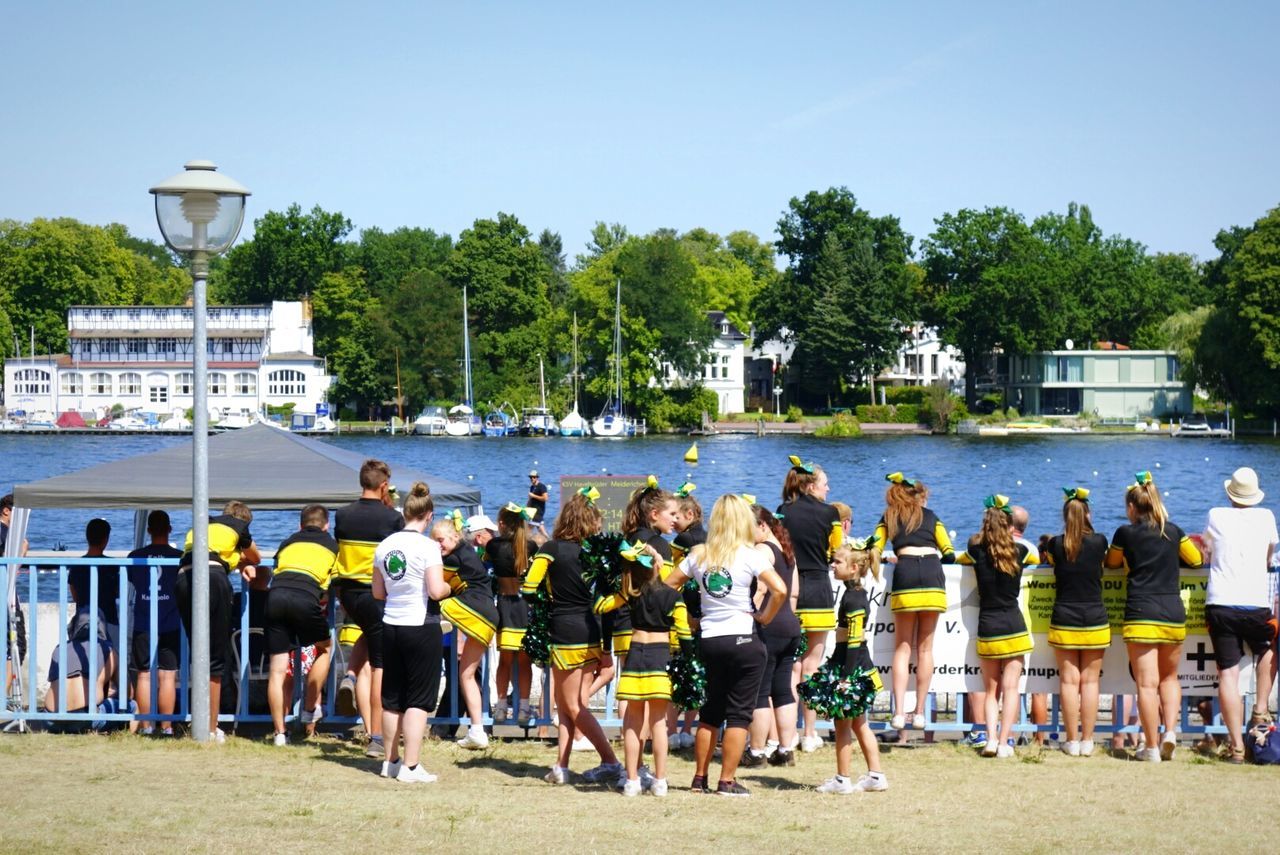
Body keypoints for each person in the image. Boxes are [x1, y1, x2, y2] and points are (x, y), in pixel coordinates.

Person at [666, 493, 788, 798]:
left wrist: (691, 616)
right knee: (738, 715)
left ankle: (699, 778)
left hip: (709, 638)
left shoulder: (699, 554)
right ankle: (727, 781)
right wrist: (764, 617)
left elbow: (668, 584)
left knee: (710, 713)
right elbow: (780, 589)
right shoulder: (750, 554)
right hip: (744, 637)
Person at [521, 488, 622, 784]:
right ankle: (561, 766)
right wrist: (606, 649)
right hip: (592, 630)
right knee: (567, 703)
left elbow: (528, 588)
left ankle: (610, 761)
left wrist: (548, 601)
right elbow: (607, 601)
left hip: (565, 631)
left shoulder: (551, 549)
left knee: (573, 705)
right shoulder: (595, 555)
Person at [1104, 471, 1203, 762]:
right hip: (1172, 612)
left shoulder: (1125, 533)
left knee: (1147, 685)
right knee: (1170, 678)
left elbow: (1111, 563)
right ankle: (1169, 733)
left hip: (1140, 613)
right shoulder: (1174, 531)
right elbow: (1196, 561)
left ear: (1132, 508)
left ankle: (1150, 745)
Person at [594, 539, 693, 797]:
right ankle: (660, 781)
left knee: (632, 722)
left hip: (636, 655)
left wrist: (605, 582)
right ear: (657, 566)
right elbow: (683, 634)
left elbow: (600, 607)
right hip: (661, 657)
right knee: (659, 723)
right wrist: (691, 661)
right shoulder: (674, 596)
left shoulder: (630, 593)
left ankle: (632, 780)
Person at [373, 482, 451, 783]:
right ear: (429, 516)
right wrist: (449, 587)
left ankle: (390, 761)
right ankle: (412, 765)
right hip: (420, 625)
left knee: (392, 698)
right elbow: (435, 589)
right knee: (418, 699)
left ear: (404, 512)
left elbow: (378, 592)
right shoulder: (428, 547)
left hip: (391, 623)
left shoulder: (385, 545)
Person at [1202, 466, 1279, 764]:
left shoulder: (1215, 515)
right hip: (1256, 601)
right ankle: (1260, 708)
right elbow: (1269, 555)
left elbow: (1207, 551)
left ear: (1230, 493)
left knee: (1228, 674)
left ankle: (1236, 747)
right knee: (1269, 647)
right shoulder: (1267, 517)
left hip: (1221, 602)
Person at [330, 459, 405, 758]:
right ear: (384, 485)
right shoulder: (392, 520)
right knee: (380, 668)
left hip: (347, 594)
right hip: (376, 595)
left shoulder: (342, 515)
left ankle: (349, 676)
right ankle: (376, 736)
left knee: (367, 634)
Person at [871, 472, 955, 732]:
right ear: (919, 498)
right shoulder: (932, 518)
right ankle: (919, 713)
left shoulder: (889, 517)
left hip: (905, 573)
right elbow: (949, 553)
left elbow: (873, 547)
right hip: (931, 575)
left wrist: (887, 559)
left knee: (903, 648)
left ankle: (897, 713)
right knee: (925, 650)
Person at [176, 500, 261, 743]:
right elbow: (255, 556)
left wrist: (235, 558)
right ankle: (210, 728)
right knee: (215, 658)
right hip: (212, 579)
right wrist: (243, 560)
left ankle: (199, 720)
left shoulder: (203, 525)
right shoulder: (238, 525)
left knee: (197, 652)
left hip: (182, 579)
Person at [959, 495, 1034, 759]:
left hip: (988, 625)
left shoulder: (976, 552)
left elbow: (960, 558)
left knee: (991, 691)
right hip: (1014, 624)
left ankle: (990, 739)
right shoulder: (1021, 551)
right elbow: (1035, 556)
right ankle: (1005, 742)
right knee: (1011, 688)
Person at [777, 455, 842, 753]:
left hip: (790, 586)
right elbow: (837, 550)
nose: (828, 490)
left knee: (791, 666)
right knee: (812, 665)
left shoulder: (782, 511)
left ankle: (786, 735)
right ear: (813, 484)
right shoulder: (830, 513)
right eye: (826, 485)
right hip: (817, 588)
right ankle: (810, 732)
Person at [264, 504, 339, 746]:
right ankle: (309, 708)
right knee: (324, 648)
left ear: (300, 525)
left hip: (275, 596)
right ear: (326, 525)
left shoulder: (288, 542)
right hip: (305, 597)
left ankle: (279, 734)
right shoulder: (332, 545)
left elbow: (277, 568)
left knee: (277, 669)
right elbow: (330, 584)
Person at [1043, 487, 1110, 757]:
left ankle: (1070, 740)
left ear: (1064, 516)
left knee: (1069, 682)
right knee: (1091, 682)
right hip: (1095, 617)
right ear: (1088, 514)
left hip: (1064, 617)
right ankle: (1088, 740)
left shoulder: (1055, 545)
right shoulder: (1100, 542)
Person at [818, 542, 888, 793]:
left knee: (843, 724)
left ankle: (842, 779)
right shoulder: (852, 593)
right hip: (852, 665)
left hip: (852, 669)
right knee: (859, 723)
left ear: (854, 567)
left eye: (838, 562)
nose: (832, 566)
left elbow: (854, 640)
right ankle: (876, 776)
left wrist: (845, 678)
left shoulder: (855, 598)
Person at [433, 513, 499, 750]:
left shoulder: (453, 559)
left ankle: (440, 623)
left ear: (454, 536)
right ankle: (478, 730)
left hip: (476, 611)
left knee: (437, 604)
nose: (439, 545)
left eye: (442, 540)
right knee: (466, 675)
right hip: (487, 616)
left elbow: (437, 588)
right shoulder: (468, 553)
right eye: (435, 541)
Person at [744, 503, 801, 769]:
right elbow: (794, 591)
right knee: (783, 691)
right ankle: (786, 749)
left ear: (763, 526)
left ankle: (756, 753)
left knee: (759, 691)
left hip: (770, 624)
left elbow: (762, 588)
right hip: (790, 624)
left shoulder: (761, 550)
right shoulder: (786, 551)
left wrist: (752, 613)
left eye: (747, 529)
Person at [126, 510, 183, 736]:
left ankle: (147, 726)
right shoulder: (179, 557)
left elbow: (132, 580)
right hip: (170, 620)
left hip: (143, 620)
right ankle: (167, 727)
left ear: (148, 530)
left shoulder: (135, 556)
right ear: (169, 529)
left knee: (143, 674)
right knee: (168, 675)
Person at [490, 504, 535, 727]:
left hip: (505, 606)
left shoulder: (493, 546)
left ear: (501, 524)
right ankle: (524, 710)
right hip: (525, 607)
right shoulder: (531, 546)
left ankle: (500, 708)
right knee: (525, 663)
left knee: (504, 662)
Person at [668, 482, 704, 749]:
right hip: (701, 608)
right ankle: (688, 729)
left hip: (684, 606)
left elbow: (672, 572)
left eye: (676, 517)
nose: (674, 521)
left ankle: (670, 729)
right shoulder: (707, 537)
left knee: (678, 674)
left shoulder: (683, 540)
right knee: (696, 673)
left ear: (689, 515)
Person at [1010, 505, 1049, 745]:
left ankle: (1010, 735)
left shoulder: (1006, 548)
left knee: (1008, 684)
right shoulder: (1031, 550)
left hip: (1012, 618)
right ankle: (1039, 738)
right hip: (1035, 618)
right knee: (1038, 683)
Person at [70, 518, 121, 681]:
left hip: (83, 621)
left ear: (87, 537)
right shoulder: (113, 566)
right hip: (109, 620)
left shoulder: (77, 566)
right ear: (106, 539)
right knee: (111, 665)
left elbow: (75, 594)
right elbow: (118, 591)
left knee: (84, 664)